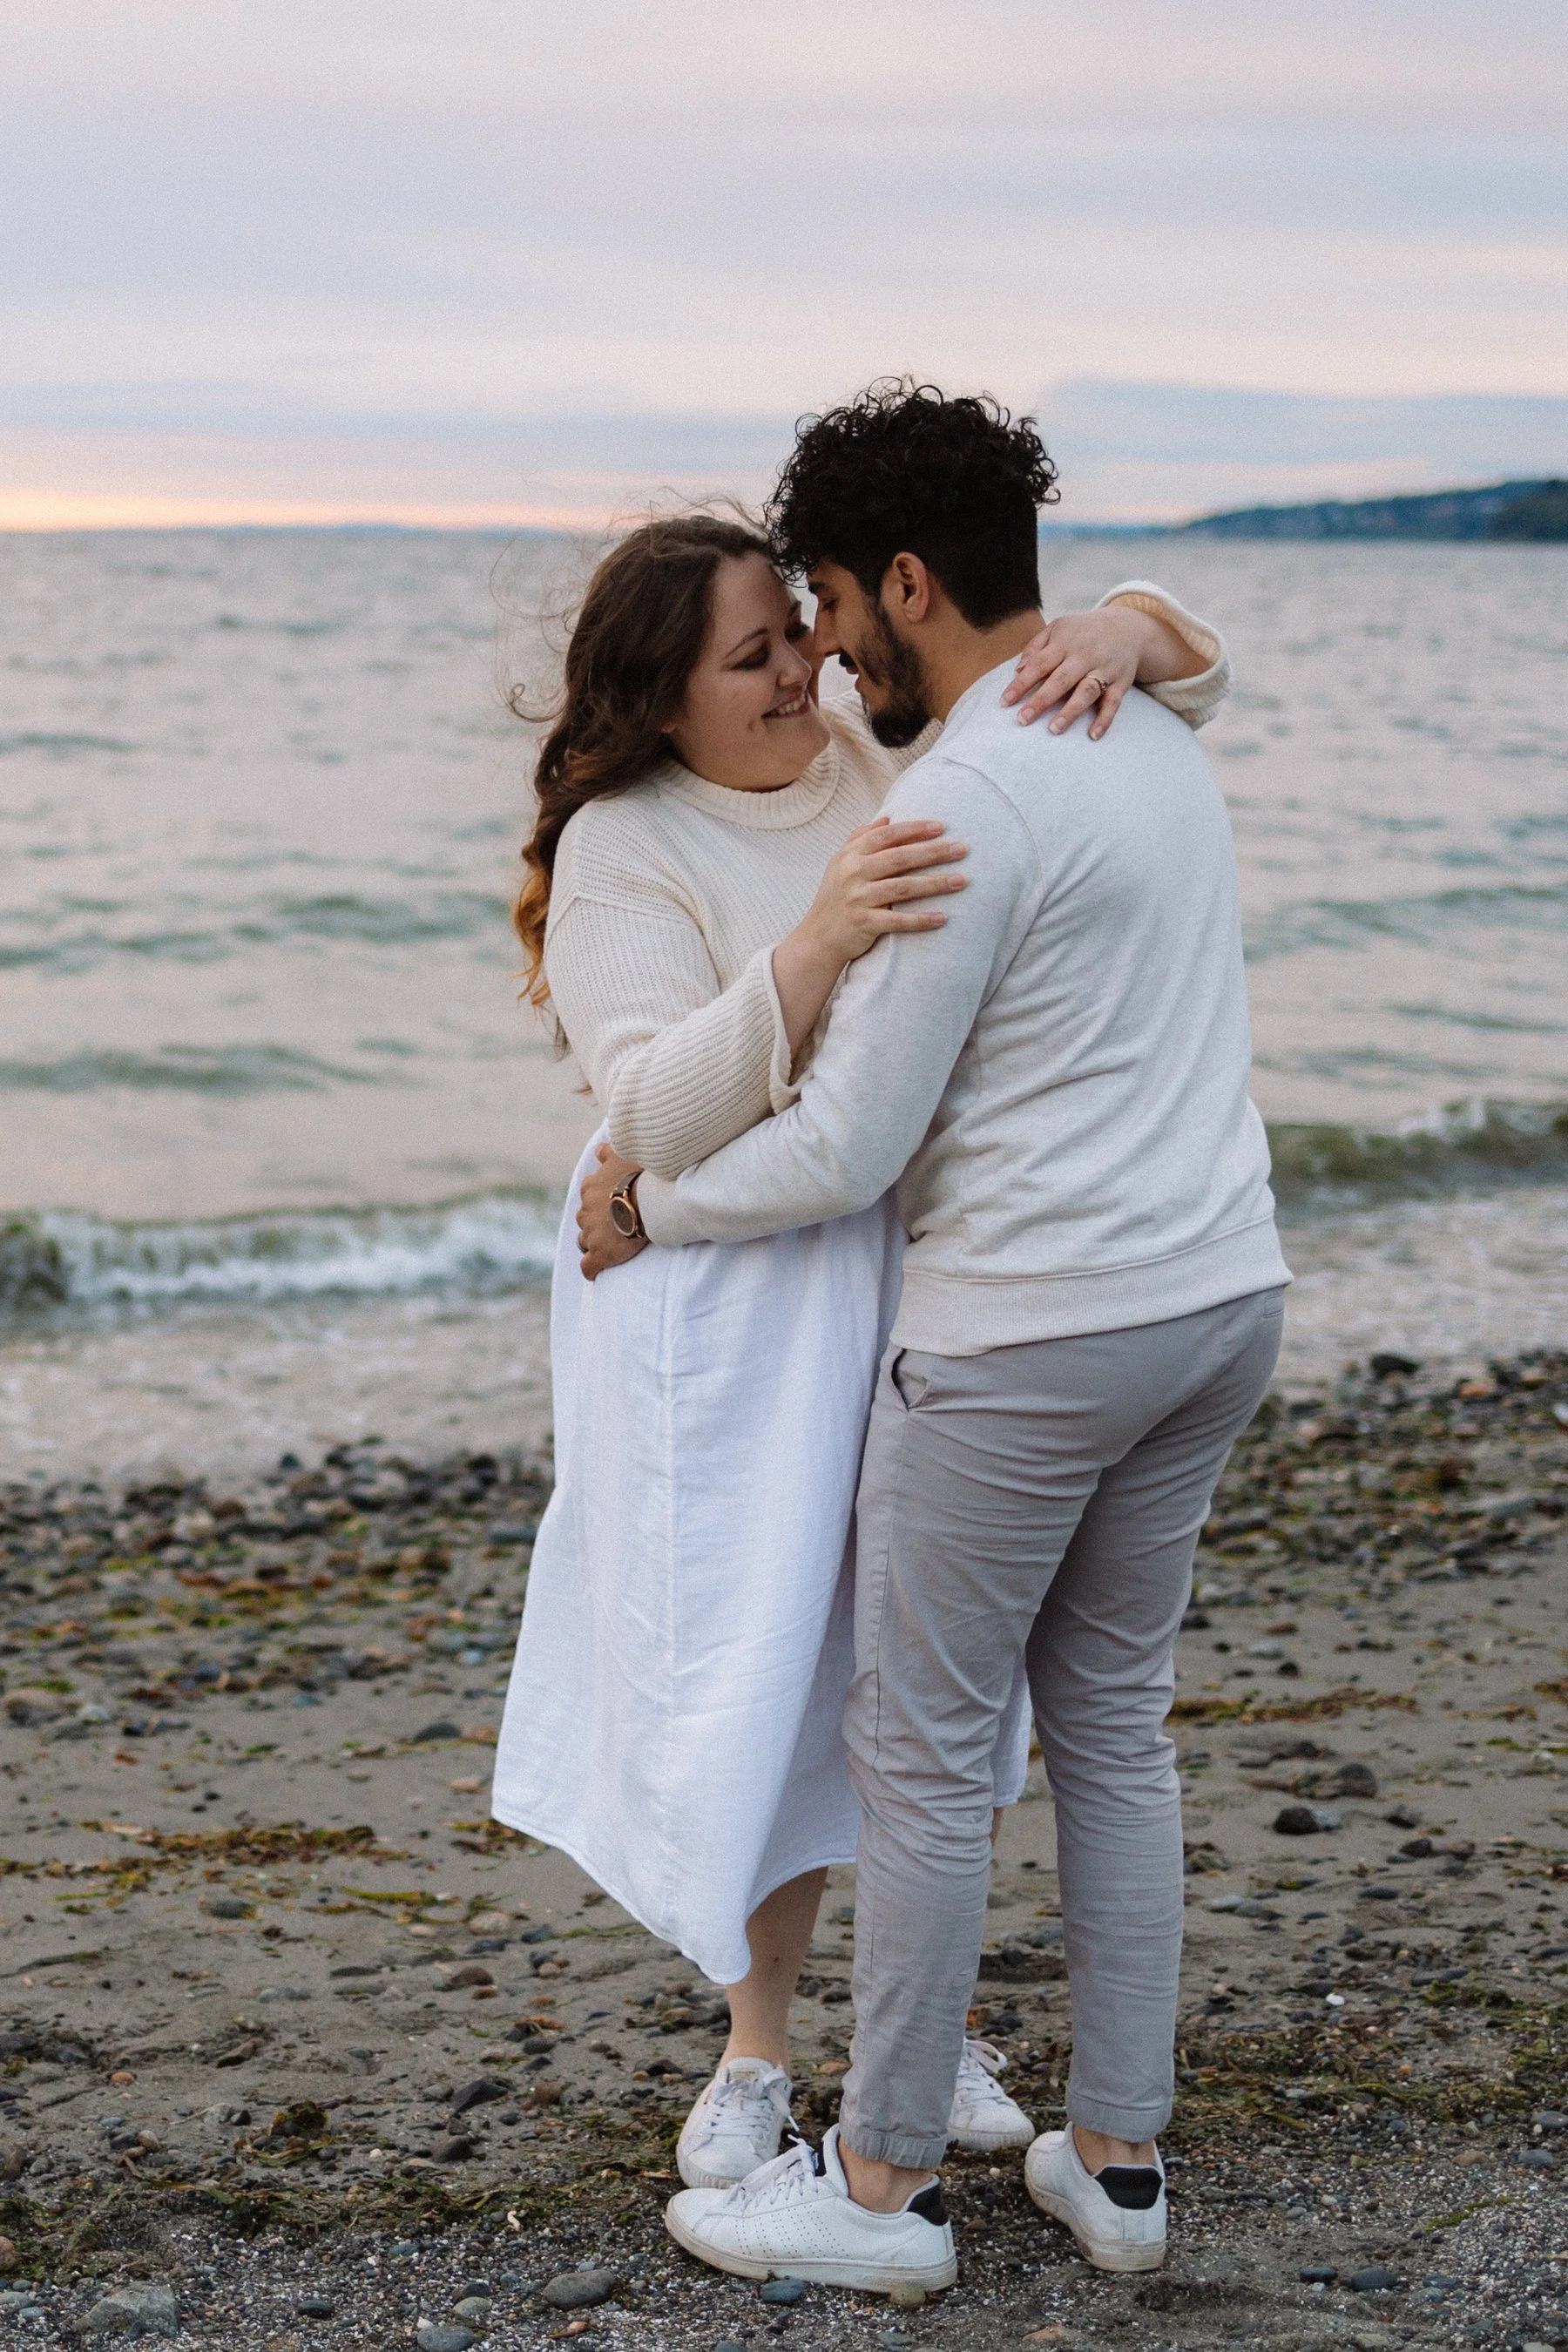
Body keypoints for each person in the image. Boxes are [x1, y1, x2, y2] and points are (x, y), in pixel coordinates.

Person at [575, 383, 1289, 2288]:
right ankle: (1116, 2169)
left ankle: (879, 2190)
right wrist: (1144, 623)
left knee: (920, 1751)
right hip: (1221, 1299)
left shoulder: (970, 789)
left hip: (1031, 1344)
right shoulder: (1134, 728)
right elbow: (1188, 667)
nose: (824, 652)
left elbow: (851, 1145)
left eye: (828, 602)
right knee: (1116, 1731)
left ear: (905, 581)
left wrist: (650, 1203)